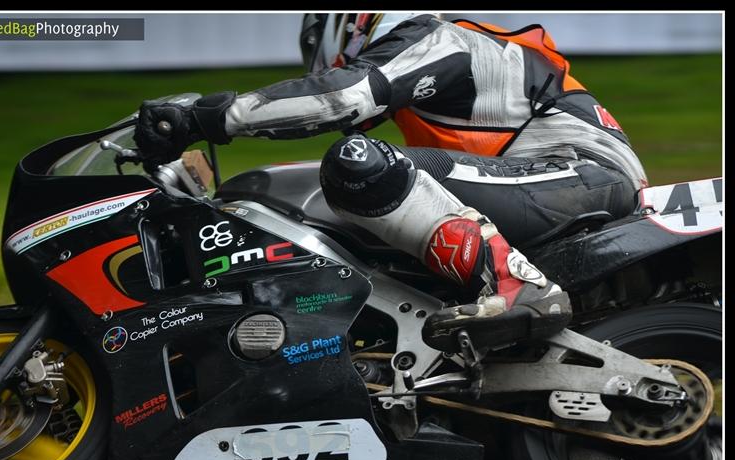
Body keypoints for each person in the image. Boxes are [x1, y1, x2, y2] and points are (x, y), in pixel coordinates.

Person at [134, 13, 647, 350]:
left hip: (577, 171)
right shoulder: (446, 64)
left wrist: (206, 117)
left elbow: (343, 96)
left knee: (357, 162)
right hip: (554, 178)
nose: (328, 59)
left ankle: (517, 287)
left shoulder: (440, 37)